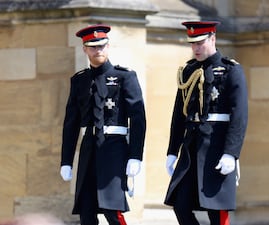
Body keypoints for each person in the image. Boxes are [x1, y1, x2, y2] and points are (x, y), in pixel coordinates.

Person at [60, 24, 146, 225]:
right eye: (93, 47)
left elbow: (138, 118)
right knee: (86, 212)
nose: (98, 50)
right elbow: (71, 123)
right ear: (85, 49)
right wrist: (66, 160)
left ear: (108, 47)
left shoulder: (125, 77)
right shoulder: (79, 80)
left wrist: (135, 155)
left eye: (101, 46)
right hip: (89, 149)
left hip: (114, 149)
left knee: (112, 210)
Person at [164, 21, 248, 225]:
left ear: (213, 38)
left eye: (200, 43)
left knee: (216, 211)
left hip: (217, 149)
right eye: (193, 44)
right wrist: (173, 150)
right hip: (192, 149)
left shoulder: (231, 70)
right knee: (180, 205)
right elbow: (179, 115)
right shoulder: (188, 71)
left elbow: (239, 116)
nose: (196, 48)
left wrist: (231, 152)